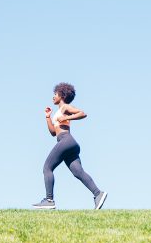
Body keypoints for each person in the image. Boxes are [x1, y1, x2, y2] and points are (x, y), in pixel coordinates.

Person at [32, 82, 107, 210]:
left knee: (47, 168)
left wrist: (68, 117)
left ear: (62, 94)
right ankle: (98, 193)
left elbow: (82, 113)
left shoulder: (65, 107)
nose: (53, 97)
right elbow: (53, 132)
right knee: (78, 172)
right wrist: (48, 117)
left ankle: (49, 200)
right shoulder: (58, 113)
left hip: (66, 141)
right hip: (68, 143)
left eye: (55, 94)